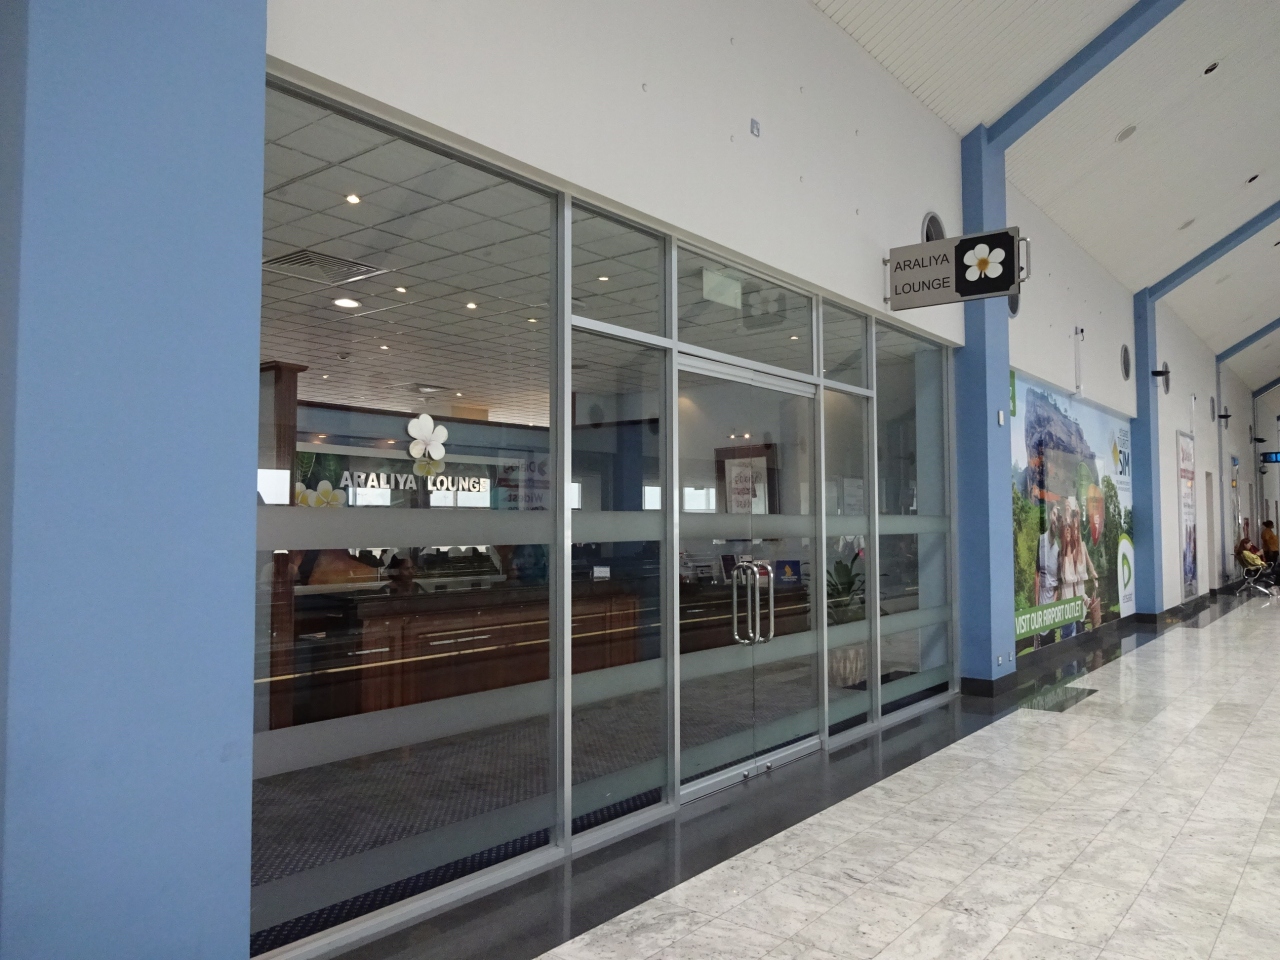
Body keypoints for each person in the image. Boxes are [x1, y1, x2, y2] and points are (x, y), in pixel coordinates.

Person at [1034, 505, 1060, 648]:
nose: (1055, 519)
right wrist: (1036, 606)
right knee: (1039, 648)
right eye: (1054, 514)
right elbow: (1037, 574)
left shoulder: (1058, 550)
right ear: (1050, 515)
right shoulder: (1041, 540)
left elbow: (1058, 585)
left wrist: (1053, 607)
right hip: (1040, 606)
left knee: (1051, 649)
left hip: (1051, 609)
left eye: (1058, 517)